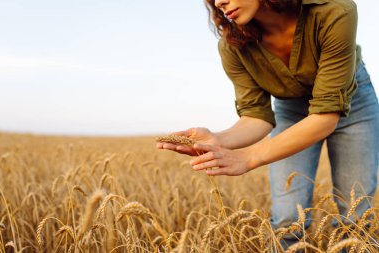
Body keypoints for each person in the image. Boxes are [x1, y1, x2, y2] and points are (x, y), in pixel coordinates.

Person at [157, 0, 379, 248]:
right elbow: (257, 116)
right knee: (287, 219)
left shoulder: (335, 11)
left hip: (354, 103)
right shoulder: (232, 46)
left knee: (357, 217)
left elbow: (325, 117)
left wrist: (248, 158)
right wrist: (218, 139)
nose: (219, 2)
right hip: (291, 108)